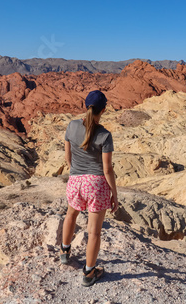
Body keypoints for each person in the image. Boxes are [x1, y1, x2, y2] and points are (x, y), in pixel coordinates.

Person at [60, 90, 118, 287]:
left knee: (71, 215)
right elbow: (107, 169)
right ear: (103, 110)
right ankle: (88, 273)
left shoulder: (72, 126)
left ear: (85, 106)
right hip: (96, 184)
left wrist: (76, 172)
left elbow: (68, 158)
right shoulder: (105, 135)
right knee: (94, 232)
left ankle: (65, 252)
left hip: (75, 180)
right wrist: (114, 195)